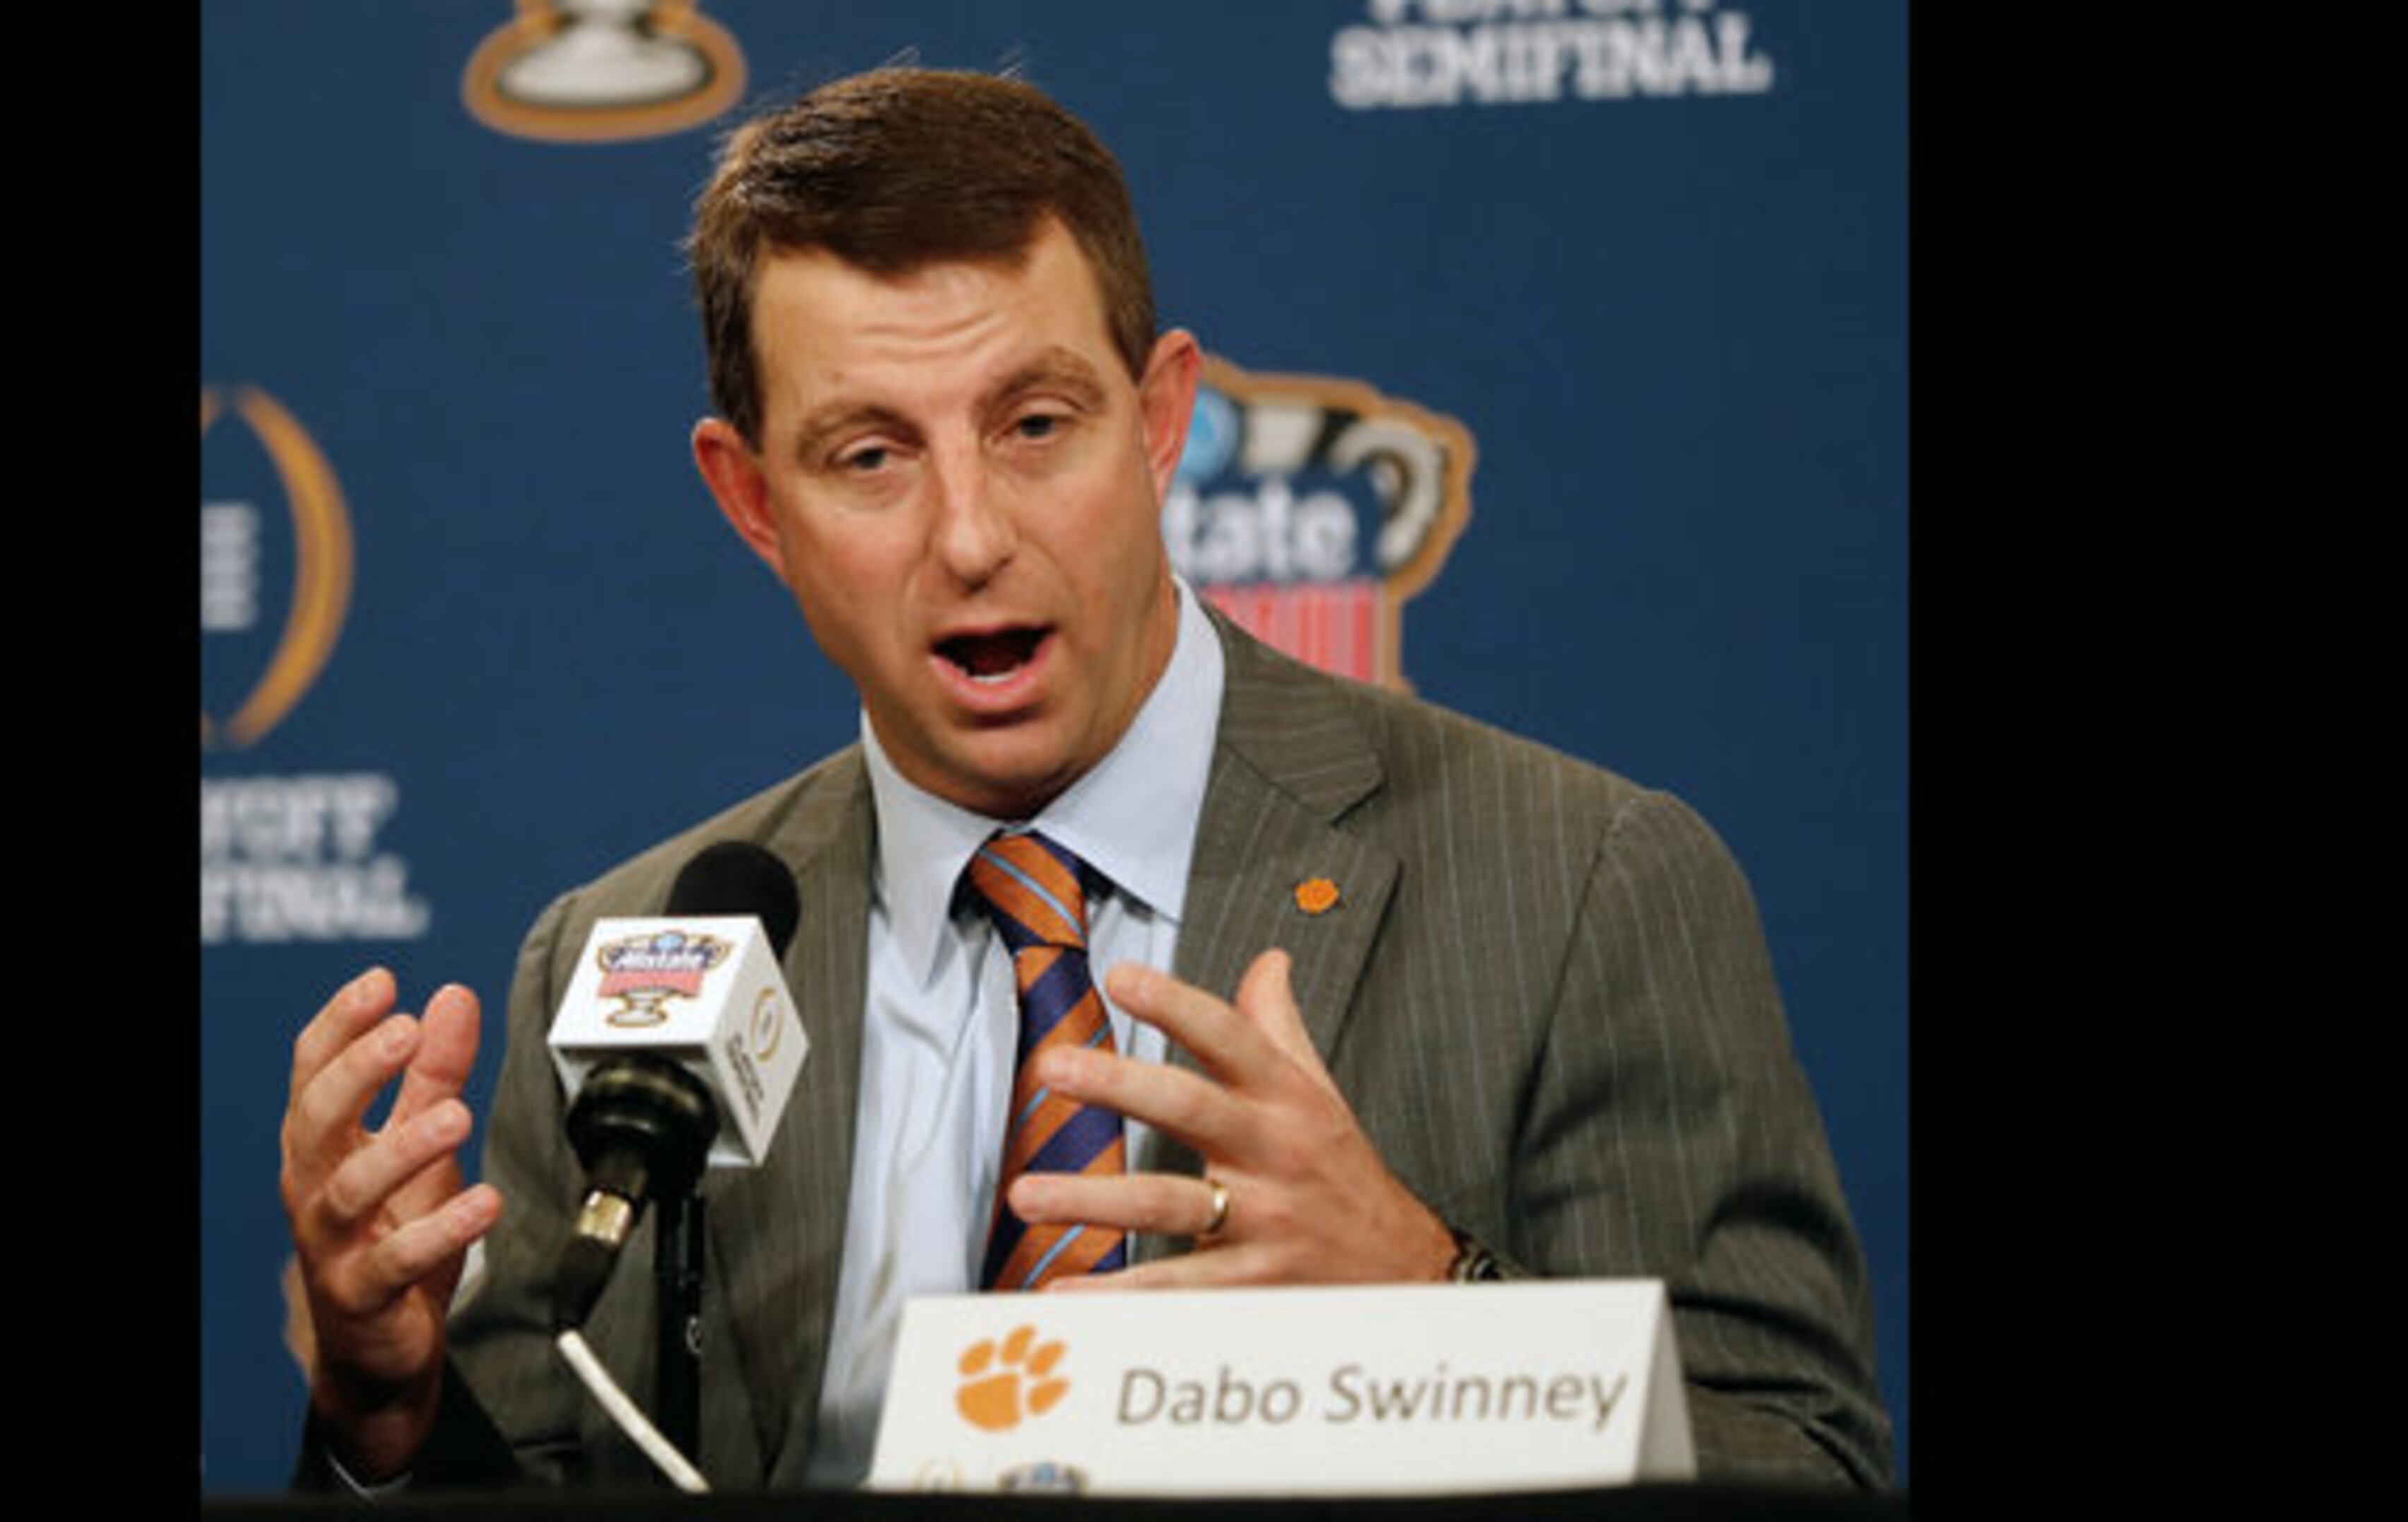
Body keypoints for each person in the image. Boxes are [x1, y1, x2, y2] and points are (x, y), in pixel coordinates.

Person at [278, 66, 1894, 1495]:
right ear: (753, 504)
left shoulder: (1580, 882)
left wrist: (1436, 1295)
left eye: (1035, 422)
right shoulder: (631, 962)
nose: (971, 535)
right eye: (871, 456)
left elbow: (1798, 1458)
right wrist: (388, 1417)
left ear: (1161, 417)